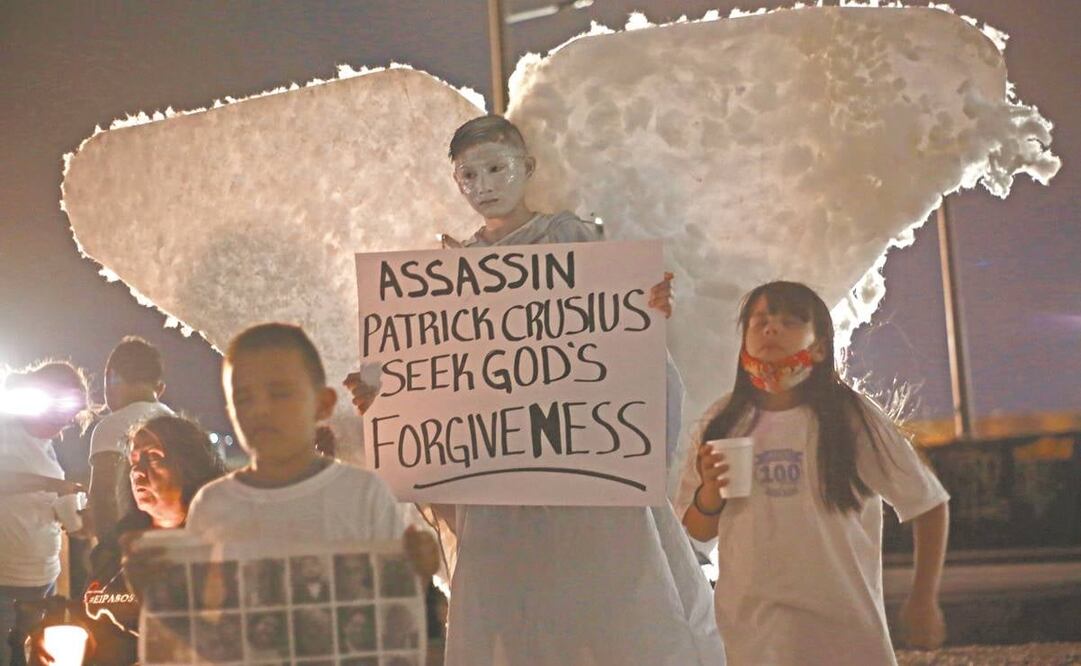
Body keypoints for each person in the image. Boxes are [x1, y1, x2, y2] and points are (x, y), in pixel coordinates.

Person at [346, 115, 723, 666]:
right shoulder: (451, 270)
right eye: (468, 175)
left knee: (605, 608)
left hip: (581, 472)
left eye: (496, 168)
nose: (485, 186)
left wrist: (640, 312)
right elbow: (446, 372)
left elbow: (610, 338)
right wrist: (388, 396)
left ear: (527, 167)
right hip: (503, 483)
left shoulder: (565, 236)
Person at [677, 281, 950, 665]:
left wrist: (923, 597)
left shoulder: (850, 418)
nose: (771, 329)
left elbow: (928, 503)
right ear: (743, 343)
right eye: (760, 322)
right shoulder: (722, 421)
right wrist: (709, 494)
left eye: (789, 321)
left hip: (844, 633)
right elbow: (693, 536)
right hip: (750, 635)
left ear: (820, 346)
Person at [183, 323, 439, 578]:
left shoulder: (364, 495)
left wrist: (416, 574)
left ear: (323, 404)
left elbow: (392, 599)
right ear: (230, 412)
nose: (260, 409)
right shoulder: (212, 506)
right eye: (243, 398)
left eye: (280, 393)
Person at [29, 414, 225, 666]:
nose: (138, 472)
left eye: (153, 457)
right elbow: (90, 615)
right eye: (133, 462)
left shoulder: (217, 549)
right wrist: (52, 638)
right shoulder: (119, 543)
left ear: (191, 466)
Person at [0, 361, 88, 666]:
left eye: (67, 419)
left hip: (43, 578)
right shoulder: (5, 429)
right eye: (58, 415)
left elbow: (49, 505)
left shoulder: (46, 447)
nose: (62, 426)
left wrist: (73, 510)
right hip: (6, 581)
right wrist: (51, 484)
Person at [87, 337, 174, 543]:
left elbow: (103, 498)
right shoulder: (178, 422)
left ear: (111, 378)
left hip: (132, 545)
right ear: (160, 388)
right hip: (175, 539)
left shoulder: (111, 426)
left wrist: (107, 550)